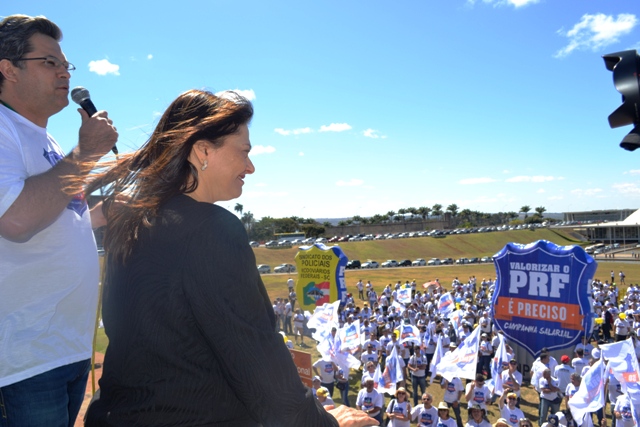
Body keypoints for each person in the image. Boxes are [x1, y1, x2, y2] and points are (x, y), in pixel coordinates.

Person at [83, 90, 375, 426]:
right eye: (244, 152)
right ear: (203, 150)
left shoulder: (132, 219)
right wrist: (329, 423)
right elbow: (258, 363)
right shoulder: (211, 228)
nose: (250, 167)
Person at [0, 14, 118, 426]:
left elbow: (61, 220)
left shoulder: (46, 140)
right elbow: (15, 219)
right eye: (50, 62)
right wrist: (86, 155)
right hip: (22, 362)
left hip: (64, 349)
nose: (64, 73)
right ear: (8, 69)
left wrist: (107, 214)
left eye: (66, 65)